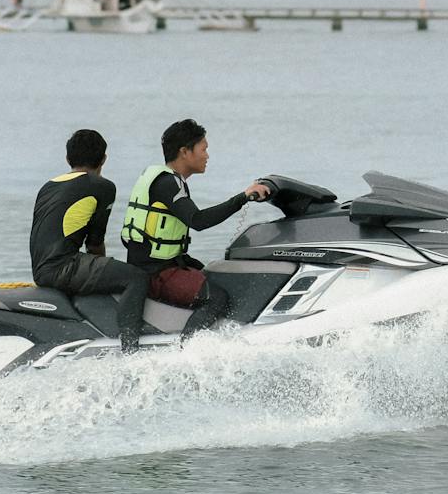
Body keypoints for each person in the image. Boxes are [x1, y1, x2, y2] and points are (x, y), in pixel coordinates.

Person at [120, 118, 271, 342]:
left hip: (162, 264)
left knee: (214, 273)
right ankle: (187, 349)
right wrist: (243, 197)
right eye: (204, 149)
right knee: (217, 298)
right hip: (155, 273)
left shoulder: (168, 180)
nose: (207, 155)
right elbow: (197, 220)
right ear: (185, 152)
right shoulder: (167, 183)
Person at [28, 129, 152, 346]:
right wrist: (106, 268)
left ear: (67, 159)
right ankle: (130, 346)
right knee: (136, 278)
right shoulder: (101, 186)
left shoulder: (48, 186)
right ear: (104, 158)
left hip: (40, 267)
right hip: (62, 266)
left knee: (109, 272)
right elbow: (95, 243)